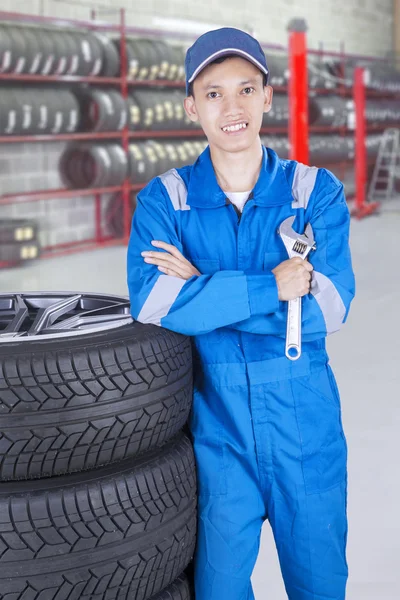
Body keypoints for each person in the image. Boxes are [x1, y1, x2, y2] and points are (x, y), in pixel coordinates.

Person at [127, 27, 355, 600]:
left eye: (245, 89)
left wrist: (201, 294)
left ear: (267, 97)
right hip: (218, 434)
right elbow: (154, 304)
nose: (232, 108)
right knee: (219, 590)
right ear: (190, 106)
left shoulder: (314, 192)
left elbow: (329, 306)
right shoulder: (166, 199)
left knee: (321, 585)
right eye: (213, 93)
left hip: (306, 426)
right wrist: (273, 289)